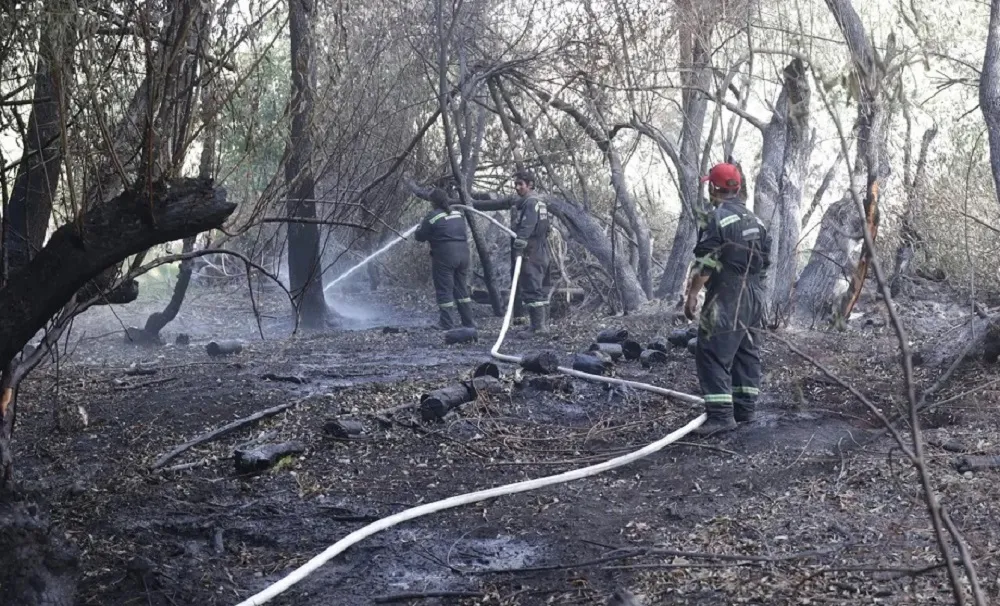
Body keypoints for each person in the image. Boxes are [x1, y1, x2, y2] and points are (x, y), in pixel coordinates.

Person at [684, 162, 771, 436]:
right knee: (747, 351)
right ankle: (745, 409)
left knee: (710, 351)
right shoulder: (757, 221)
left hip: (728, 294)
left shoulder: (716, 219)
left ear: (713, 188)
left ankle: (721, 416)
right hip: (756, 293)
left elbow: (706, 264)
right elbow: (766, 262)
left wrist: (693, 294)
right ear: (738, 187)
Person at [414, 190, 476, 330]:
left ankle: (447, 323)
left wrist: (419, 228)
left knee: (444, 289)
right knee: (461, 289)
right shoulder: (458, 213)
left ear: (433, 202)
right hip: (464, 255)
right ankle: (468, 322)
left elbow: (420, 236)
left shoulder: (432, 216)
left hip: (445, 256)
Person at [511, 170, 552, 335]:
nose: (517, 187)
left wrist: (519, 248)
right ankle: (539, 325)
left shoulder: (530, 203)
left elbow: (526, 227)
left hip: (531, 250)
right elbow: (546, 228)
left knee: (531, 287)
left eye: (521, 184)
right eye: (516, 184)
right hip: (541, 248)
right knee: (538, 288)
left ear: (530, 185)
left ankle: (538, 328)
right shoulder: (540, 203)